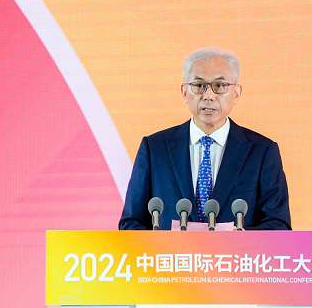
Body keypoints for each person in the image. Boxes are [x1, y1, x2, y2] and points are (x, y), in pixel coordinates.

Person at [119, 47, 291, 230]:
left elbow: (278, 226)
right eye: (199, 86)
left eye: (219, 86)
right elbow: (131, 223)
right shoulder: (154, 149)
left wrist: (233, 239)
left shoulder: (262, 152)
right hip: (169, 250)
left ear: (237, 93)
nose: (208, 96)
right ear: (185, 92)